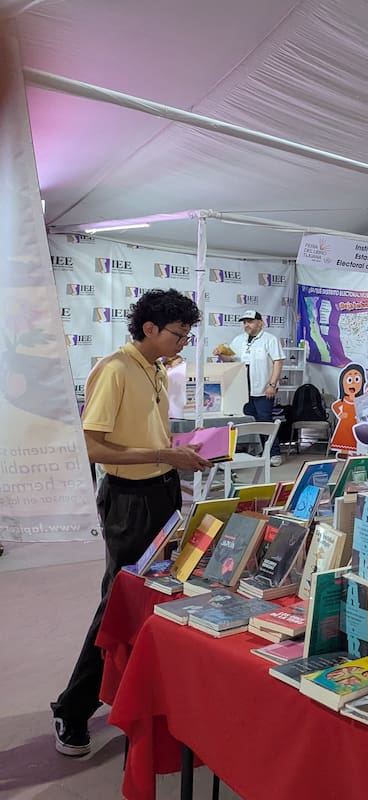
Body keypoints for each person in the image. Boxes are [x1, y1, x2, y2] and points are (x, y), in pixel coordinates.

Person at [51, 289, 213, 757]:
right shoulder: (116, 370)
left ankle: (134, 695)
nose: (183, 343)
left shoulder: (156, 368)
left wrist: (180, 448)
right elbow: (93, 447)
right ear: (149, 329)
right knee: (118, 603)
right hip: (129, 500)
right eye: (178, 335)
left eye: (186, 335)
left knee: (159, 596)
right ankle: (71, 708)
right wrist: (164, 453)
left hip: (162, 490)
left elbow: (145, 435)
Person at [215, 309, 284, 466]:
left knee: (265, 421)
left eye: (250, 321)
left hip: (263, 389)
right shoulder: (238, 340)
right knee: (247, 421)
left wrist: (272, 384)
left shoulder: (270, 339)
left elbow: (278, 362)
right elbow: (231, 361)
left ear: (260, 323)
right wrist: (221, 355)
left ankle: (274, 453)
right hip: (242, 390)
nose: (247, 325)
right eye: (244, 322)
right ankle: (257, 451)